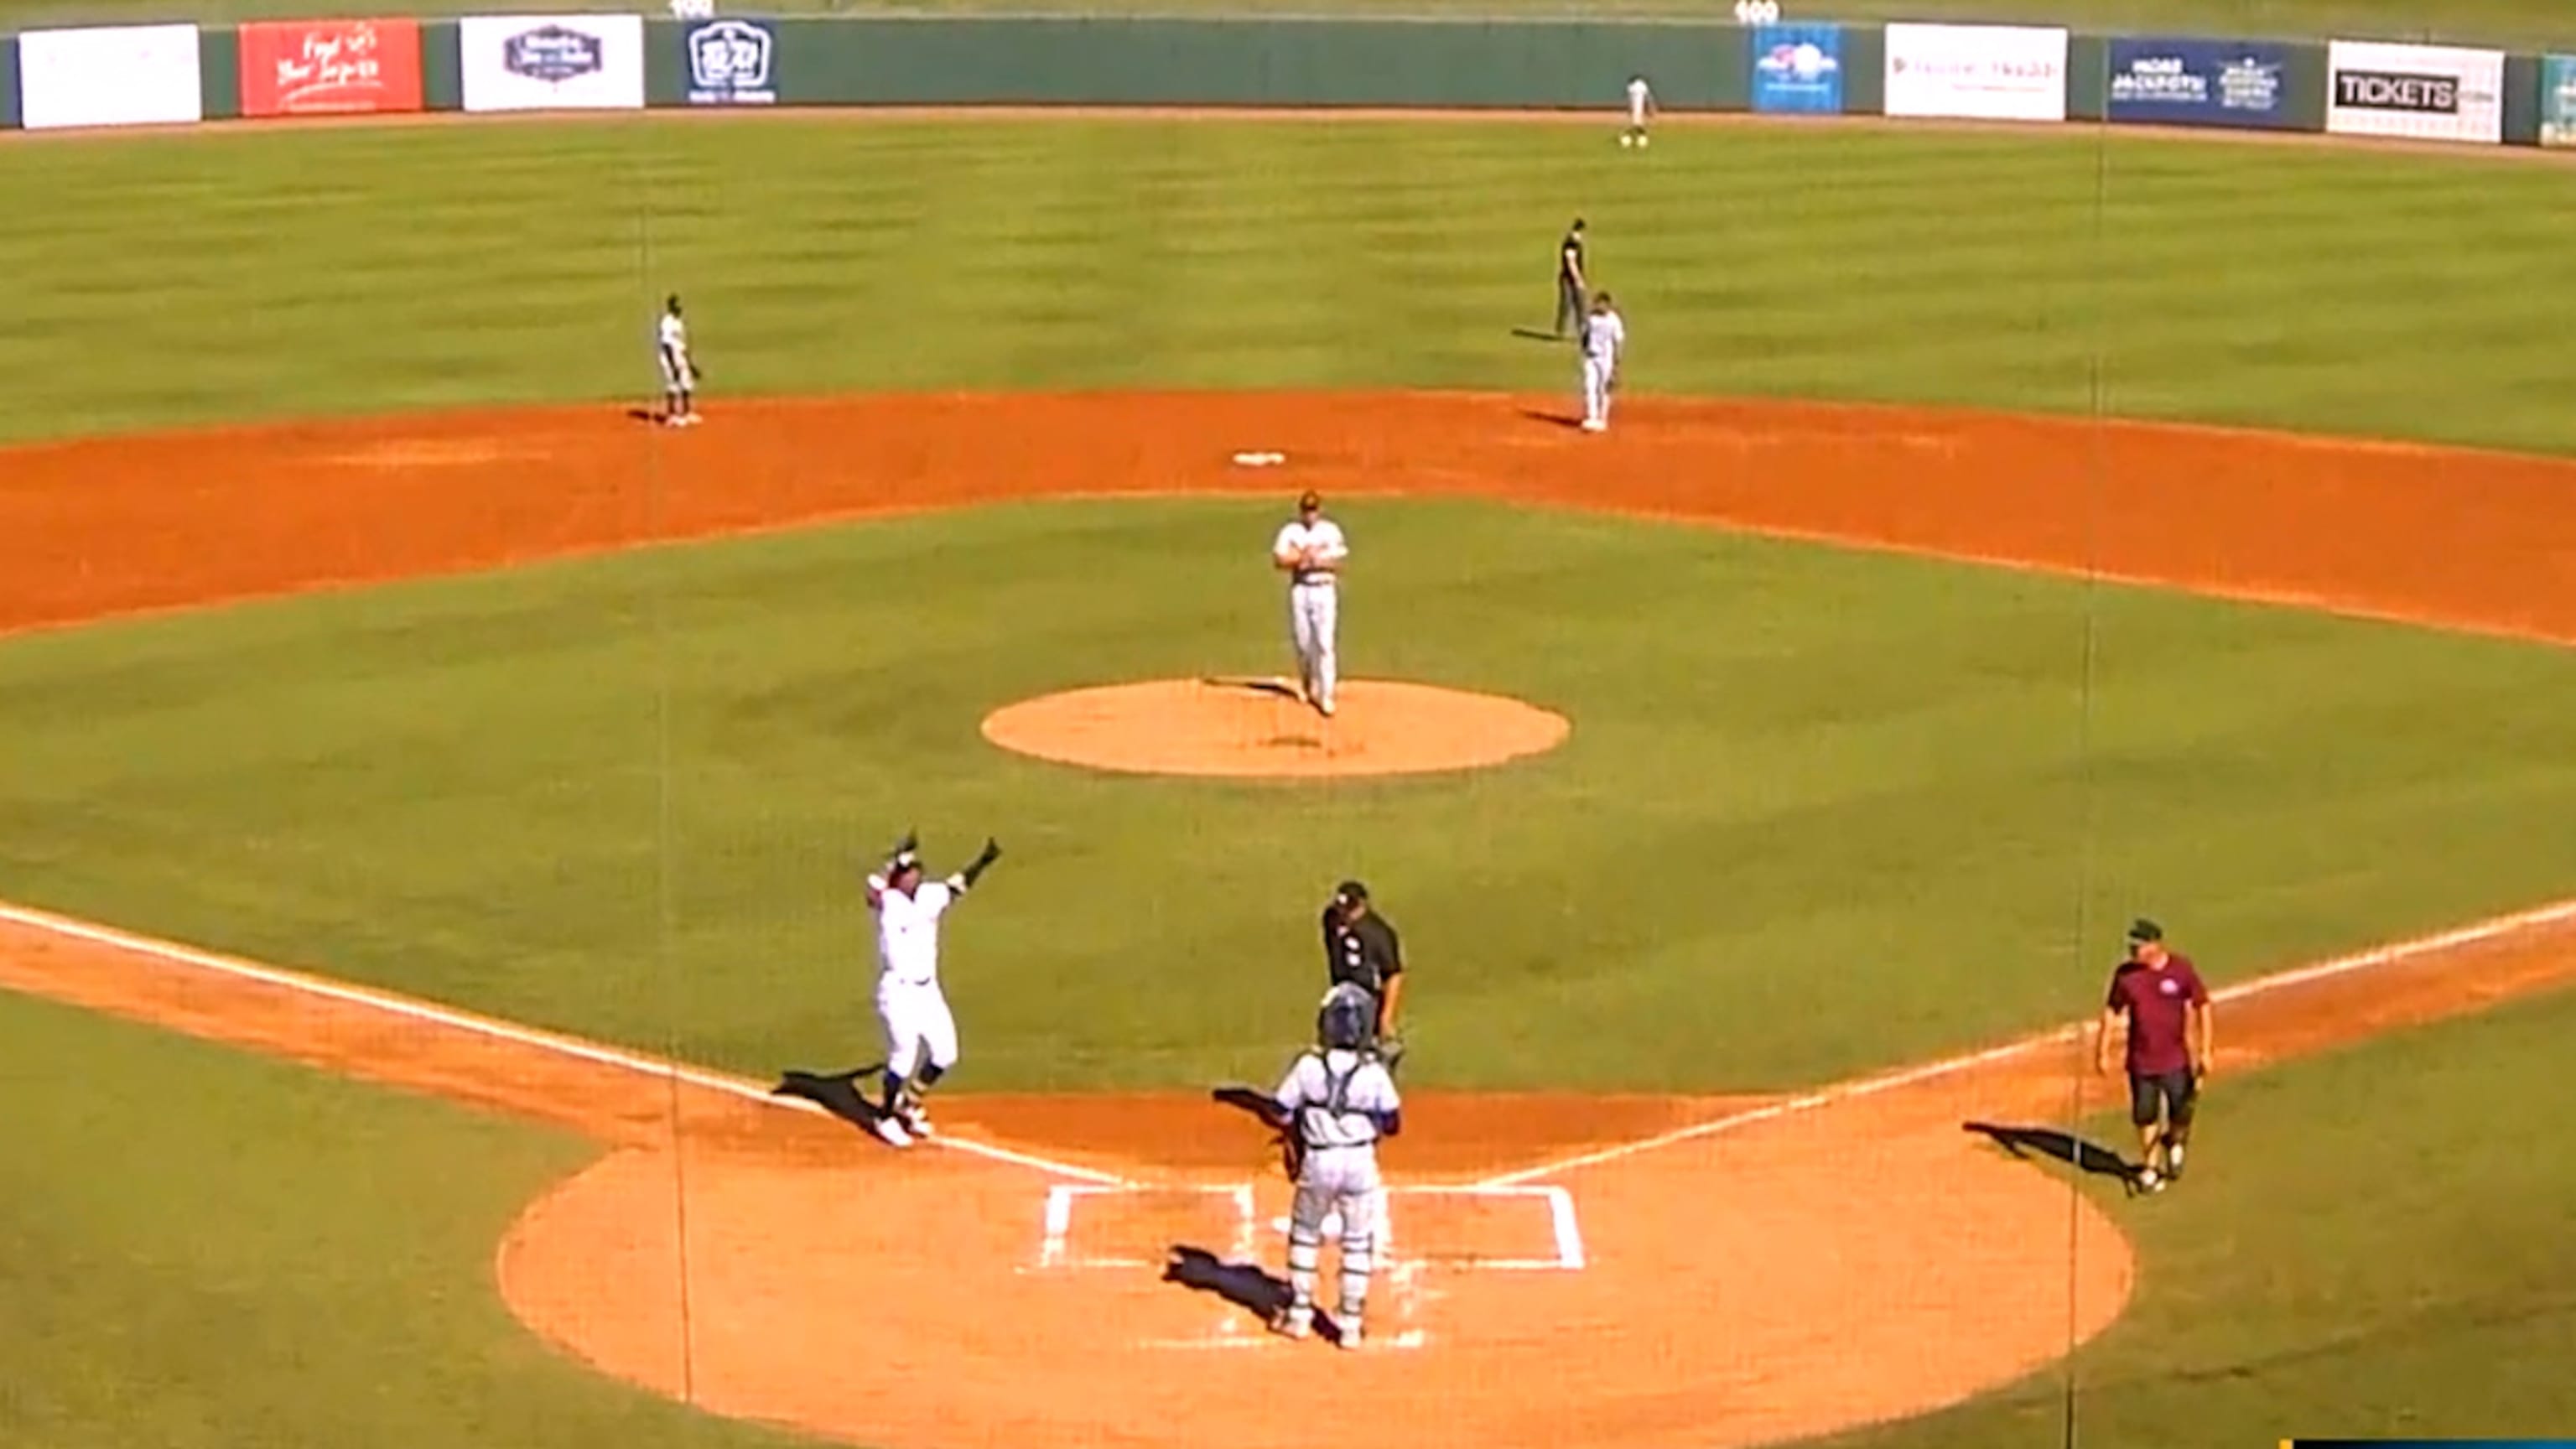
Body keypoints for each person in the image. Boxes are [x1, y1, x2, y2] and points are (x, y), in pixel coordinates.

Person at [1270, 982, 1403, 1349]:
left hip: (1318, 1159)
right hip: (1360, 1161)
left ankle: (1298, 1316)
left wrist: (1303, 1127)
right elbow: (1393, 1124)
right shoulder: (1373, 1072)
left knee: (1306, 1233)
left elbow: (1280, 1110)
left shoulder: (1308, 1066)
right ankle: (1349, 1325)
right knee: (1358, 1240)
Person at [862, 830, 1003, 1147]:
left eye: (917, 873)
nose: (915, 878)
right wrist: (896, 861)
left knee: (945, 1053)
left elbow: (958, 886)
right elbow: (871, 893)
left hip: (928, 990)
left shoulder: (929, 896)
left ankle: (908, 1104)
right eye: (909, 873)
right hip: (897, 991)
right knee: (904, 1056)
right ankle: (884, 1117)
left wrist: (983, 860)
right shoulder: (889, 901)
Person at [2094, 917, 2214, 1193]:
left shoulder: (2181, 970)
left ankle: (2174, 1141)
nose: (2133, 951)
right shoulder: (2126, 976)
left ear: (2155, 945)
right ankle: (2150, 1168)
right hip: (2141, 1062)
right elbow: (2112, 1010)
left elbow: (2202, 1005)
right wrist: (2102, 1050)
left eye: (2138, 946)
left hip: (2176, 1060)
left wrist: (2205, 1050)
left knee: (2181, 1113)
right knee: (2145, 1116)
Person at [1270, 490, 1348, 718]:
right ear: (1301, 511)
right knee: (1303, 643)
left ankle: (1326, 695)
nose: (1310, 514)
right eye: (1306, 510)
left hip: (1324, 590)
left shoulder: (1331, 531)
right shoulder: (1290, 532)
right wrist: (1301, 559)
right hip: (1301, 590)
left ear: (1319, 510)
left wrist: (1315, 560)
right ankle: (1307, 683)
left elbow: (1340, 562)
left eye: (1313, 509)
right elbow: (1279, 560)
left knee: (1324, 643)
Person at [1318, 880, 1405, 1062]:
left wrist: (1386, 1016)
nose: (1345, 913)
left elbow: (1393, 974)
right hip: (1340, 995)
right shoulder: (1331, 920)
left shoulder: (1379, 932)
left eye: (1350, 908)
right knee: (1333, 1047)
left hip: (1368, 999)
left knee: (1368, 1055)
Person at [1580, 291, 1626, 433]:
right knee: (1589, 386)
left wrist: (1616, 365)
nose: (1599, 307)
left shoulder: (1614, 320)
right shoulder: (1591, 318)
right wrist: (1585, 349)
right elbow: (1585, 335)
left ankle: (1602, 417)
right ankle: (1592, 417)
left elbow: (1618, 342)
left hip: (1606, 358)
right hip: (1591, 357)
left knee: (1603, 388)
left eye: (1601, 304)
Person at [656, 294, 701, 427]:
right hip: (670, 358)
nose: (680, 308)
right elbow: (666, 344)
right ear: (672, 307)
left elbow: (682, 345)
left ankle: (687, 413)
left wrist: (691, 364)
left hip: (680, 356)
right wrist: (672, 364)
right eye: (677, 305)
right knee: (673, 386)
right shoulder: (667, 322)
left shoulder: (679, 322)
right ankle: (671, 416)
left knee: (687, 383)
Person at [1554, 219, 1589, 339]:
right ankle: (1563, 330)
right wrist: (1578, 279)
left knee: (1576, 304)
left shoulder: (1573, 241)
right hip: (1569, 280)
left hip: (1569, 278)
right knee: (1571, 304)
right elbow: (1571, 262)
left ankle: (1576, 330)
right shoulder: (1571, 243)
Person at [1620, 75, 1656, 148]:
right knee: (1636, 124)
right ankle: (1638, 137)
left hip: (1637, 107)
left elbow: (1630, 99)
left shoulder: (1633, 87)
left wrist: (1650, 106)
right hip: (1638, 108)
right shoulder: (1640, 86)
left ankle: (1636, 137)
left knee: (1636, 124)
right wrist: (1651, 106)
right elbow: (1648, 97)